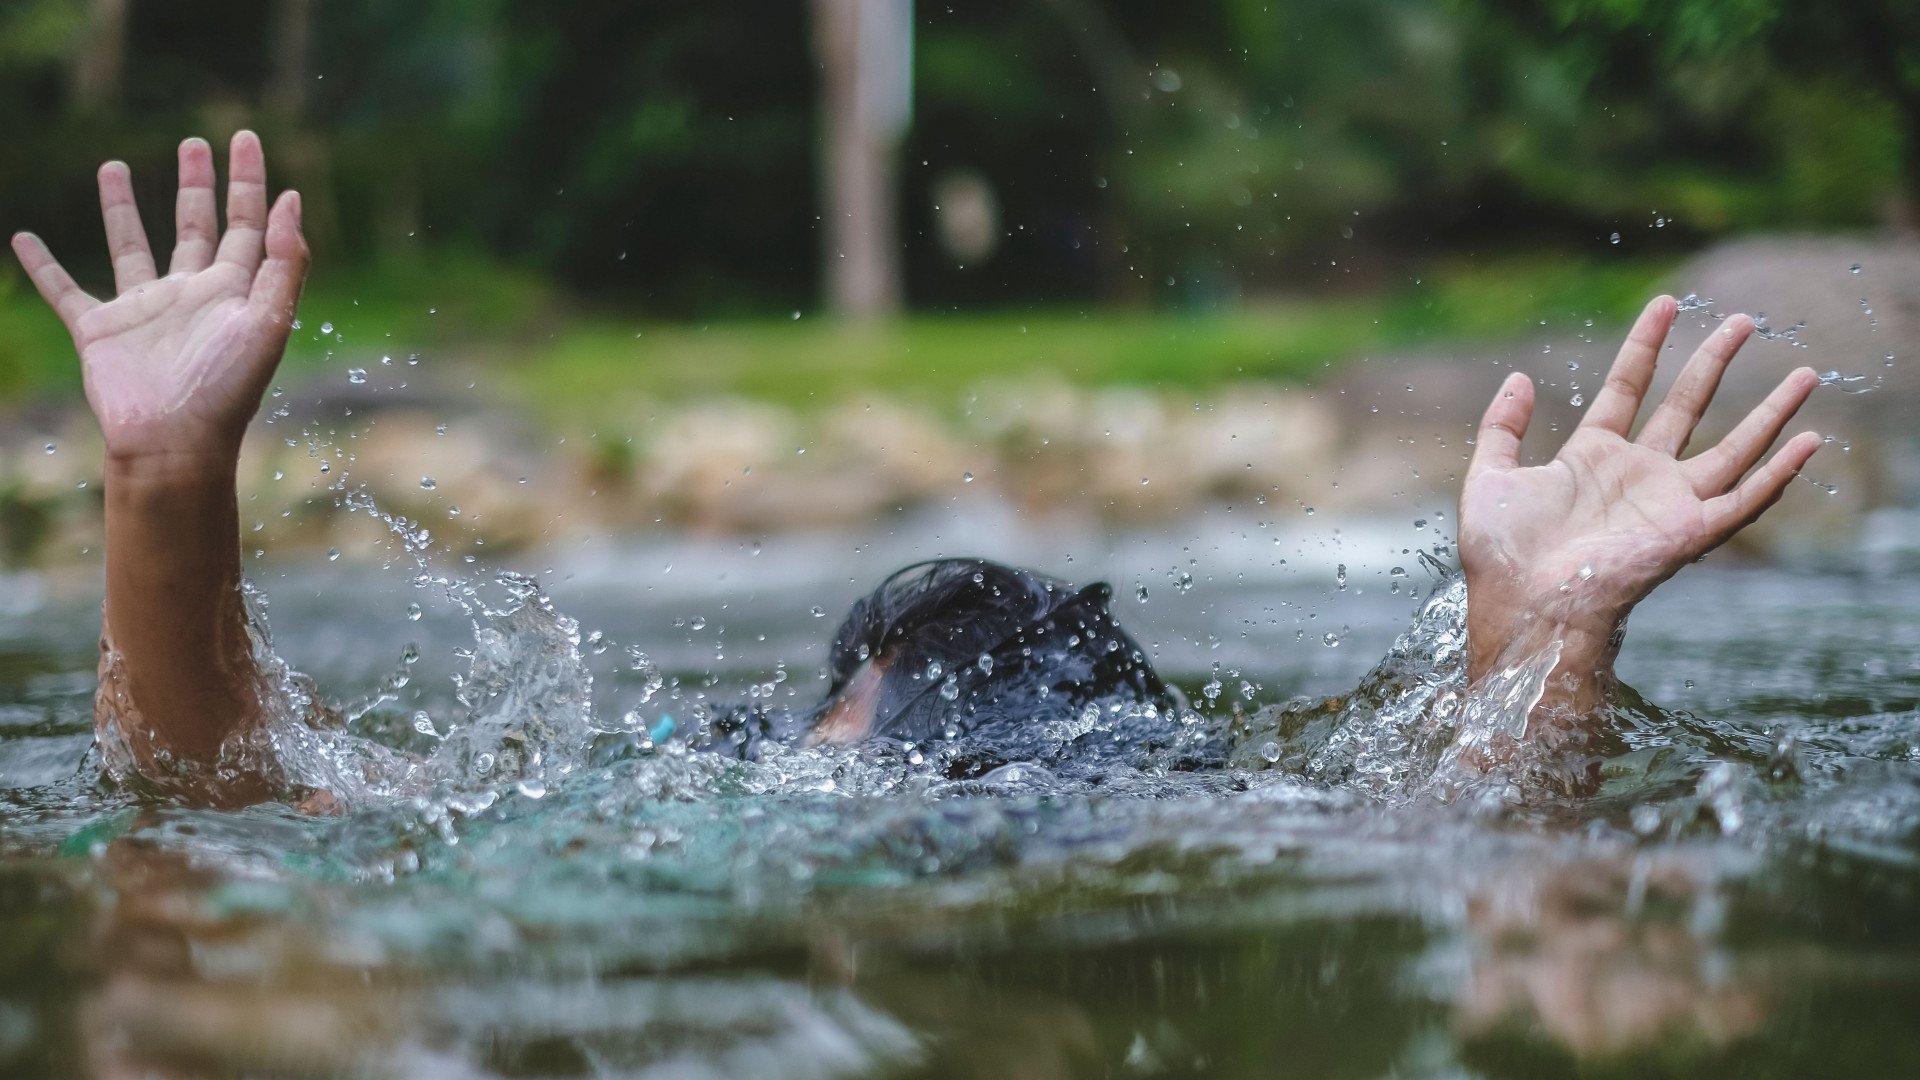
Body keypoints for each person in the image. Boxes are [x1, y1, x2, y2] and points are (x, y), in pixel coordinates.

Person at [8, 134, 1824, 808]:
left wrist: (168, 491)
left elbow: (222, 798)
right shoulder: (1165, 788)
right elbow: (1473, 844)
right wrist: (1536, 639)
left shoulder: (684, 779)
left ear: (839, 708)